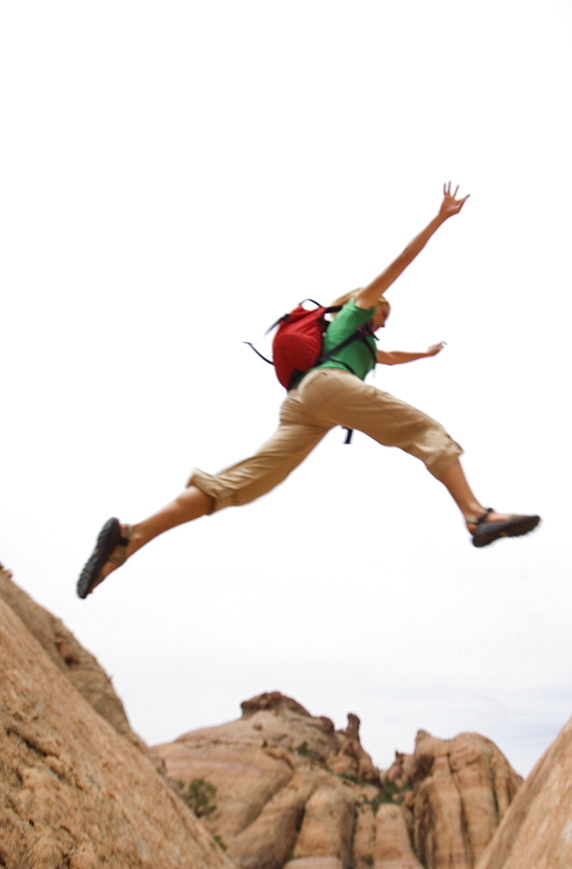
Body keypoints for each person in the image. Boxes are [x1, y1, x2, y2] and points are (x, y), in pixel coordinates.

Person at [77, 183, 540, 599]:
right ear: (369, 303)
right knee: (426, 431)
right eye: (384, 314)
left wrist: (426, 354)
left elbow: (391, 357)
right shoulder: (355, 311)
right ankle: (476, 514)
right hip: (328, 389)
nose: (383, 321)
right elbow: (398, 263)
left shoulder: (359, 343)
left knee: (244, 484)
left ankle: (131, 536)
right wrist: (439, 220)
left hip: (304, 406)